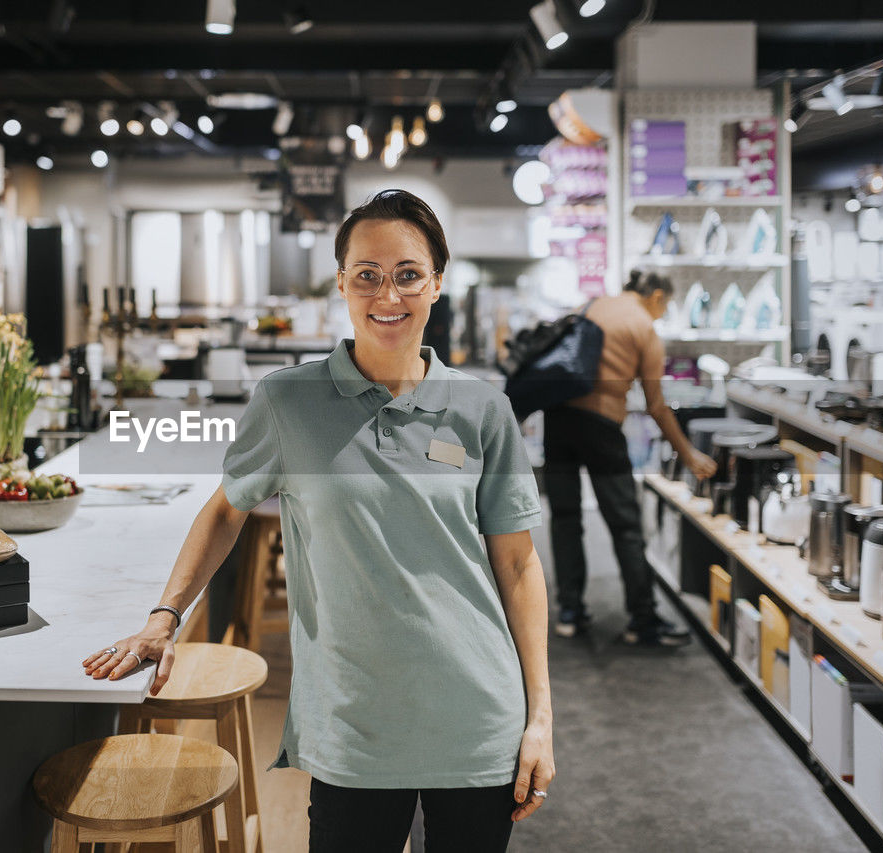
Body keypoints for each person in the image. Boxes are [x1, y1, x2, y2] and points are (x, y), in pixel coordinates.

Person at [83, 189, 554, 851]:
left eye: (408, 274)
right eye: (367, 274)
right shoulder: (288, 400)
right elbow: (226, 508)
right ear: (341, 282)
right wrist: (166, 615)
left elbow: (518, 563)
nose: (387, 294)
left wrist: (540, 718)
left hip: (476, 718)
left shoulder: (482, 409)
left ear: (437, 284)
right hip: (351, 727)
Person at [545, 269, 717, 646]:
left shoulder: (589, 305)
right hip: (601, 427)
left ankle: (569, 613)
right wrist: (688, 454)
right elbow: (657, 406)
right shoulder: (643, 327)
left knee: (565, 520)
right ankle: (644, 621)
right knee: (626, 526)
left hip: (556, 420)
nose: (663, 312)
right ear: (656, 296)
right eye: (666, 305)